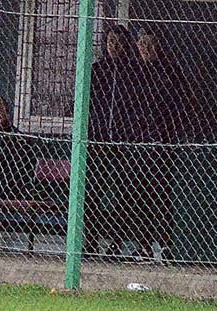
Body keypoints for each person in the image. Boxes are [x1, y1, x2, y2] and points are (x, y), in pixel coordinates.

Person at [134, 28, 194, 262]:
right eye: (141, 44)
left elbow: (182, 104)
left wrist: (172, 132)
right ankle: (144, 245)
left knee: (162, 193)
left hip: (163, 142)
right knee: (140, 194)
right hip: (138, 142)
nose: (145, 48)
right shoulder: (135, 72)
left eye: (150, 43)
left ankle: (166, 245)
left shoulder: (170, 71)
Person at [86, 24, 145, 259]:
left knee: (124, 192)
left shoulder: (135, 72)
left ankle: (117, 242)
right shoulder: (96, 71)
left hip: (125, 143)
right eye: (111, 42)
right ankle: (90, 241)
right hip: (98, 142)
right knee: (92, 192)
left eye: (120, 43)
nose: (115, 47)